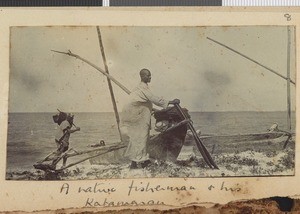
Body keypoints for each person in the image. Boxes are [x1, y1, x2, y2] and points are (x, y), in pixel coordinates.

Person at [120, 68, 171, 169]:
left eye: (150, 75)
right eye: (148, 75)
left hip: (137, 115)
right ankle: (136, 163)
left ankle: (140, 161)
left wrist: (151, 109)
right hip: (137, 117)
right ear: (142, 76)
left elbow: (143, 102)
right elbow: (154, 99)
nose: (150, 77)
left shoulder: (141, 88)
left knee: (140, 138)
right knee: (141, 138)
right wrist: (170, 102)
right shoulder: (142, 88)